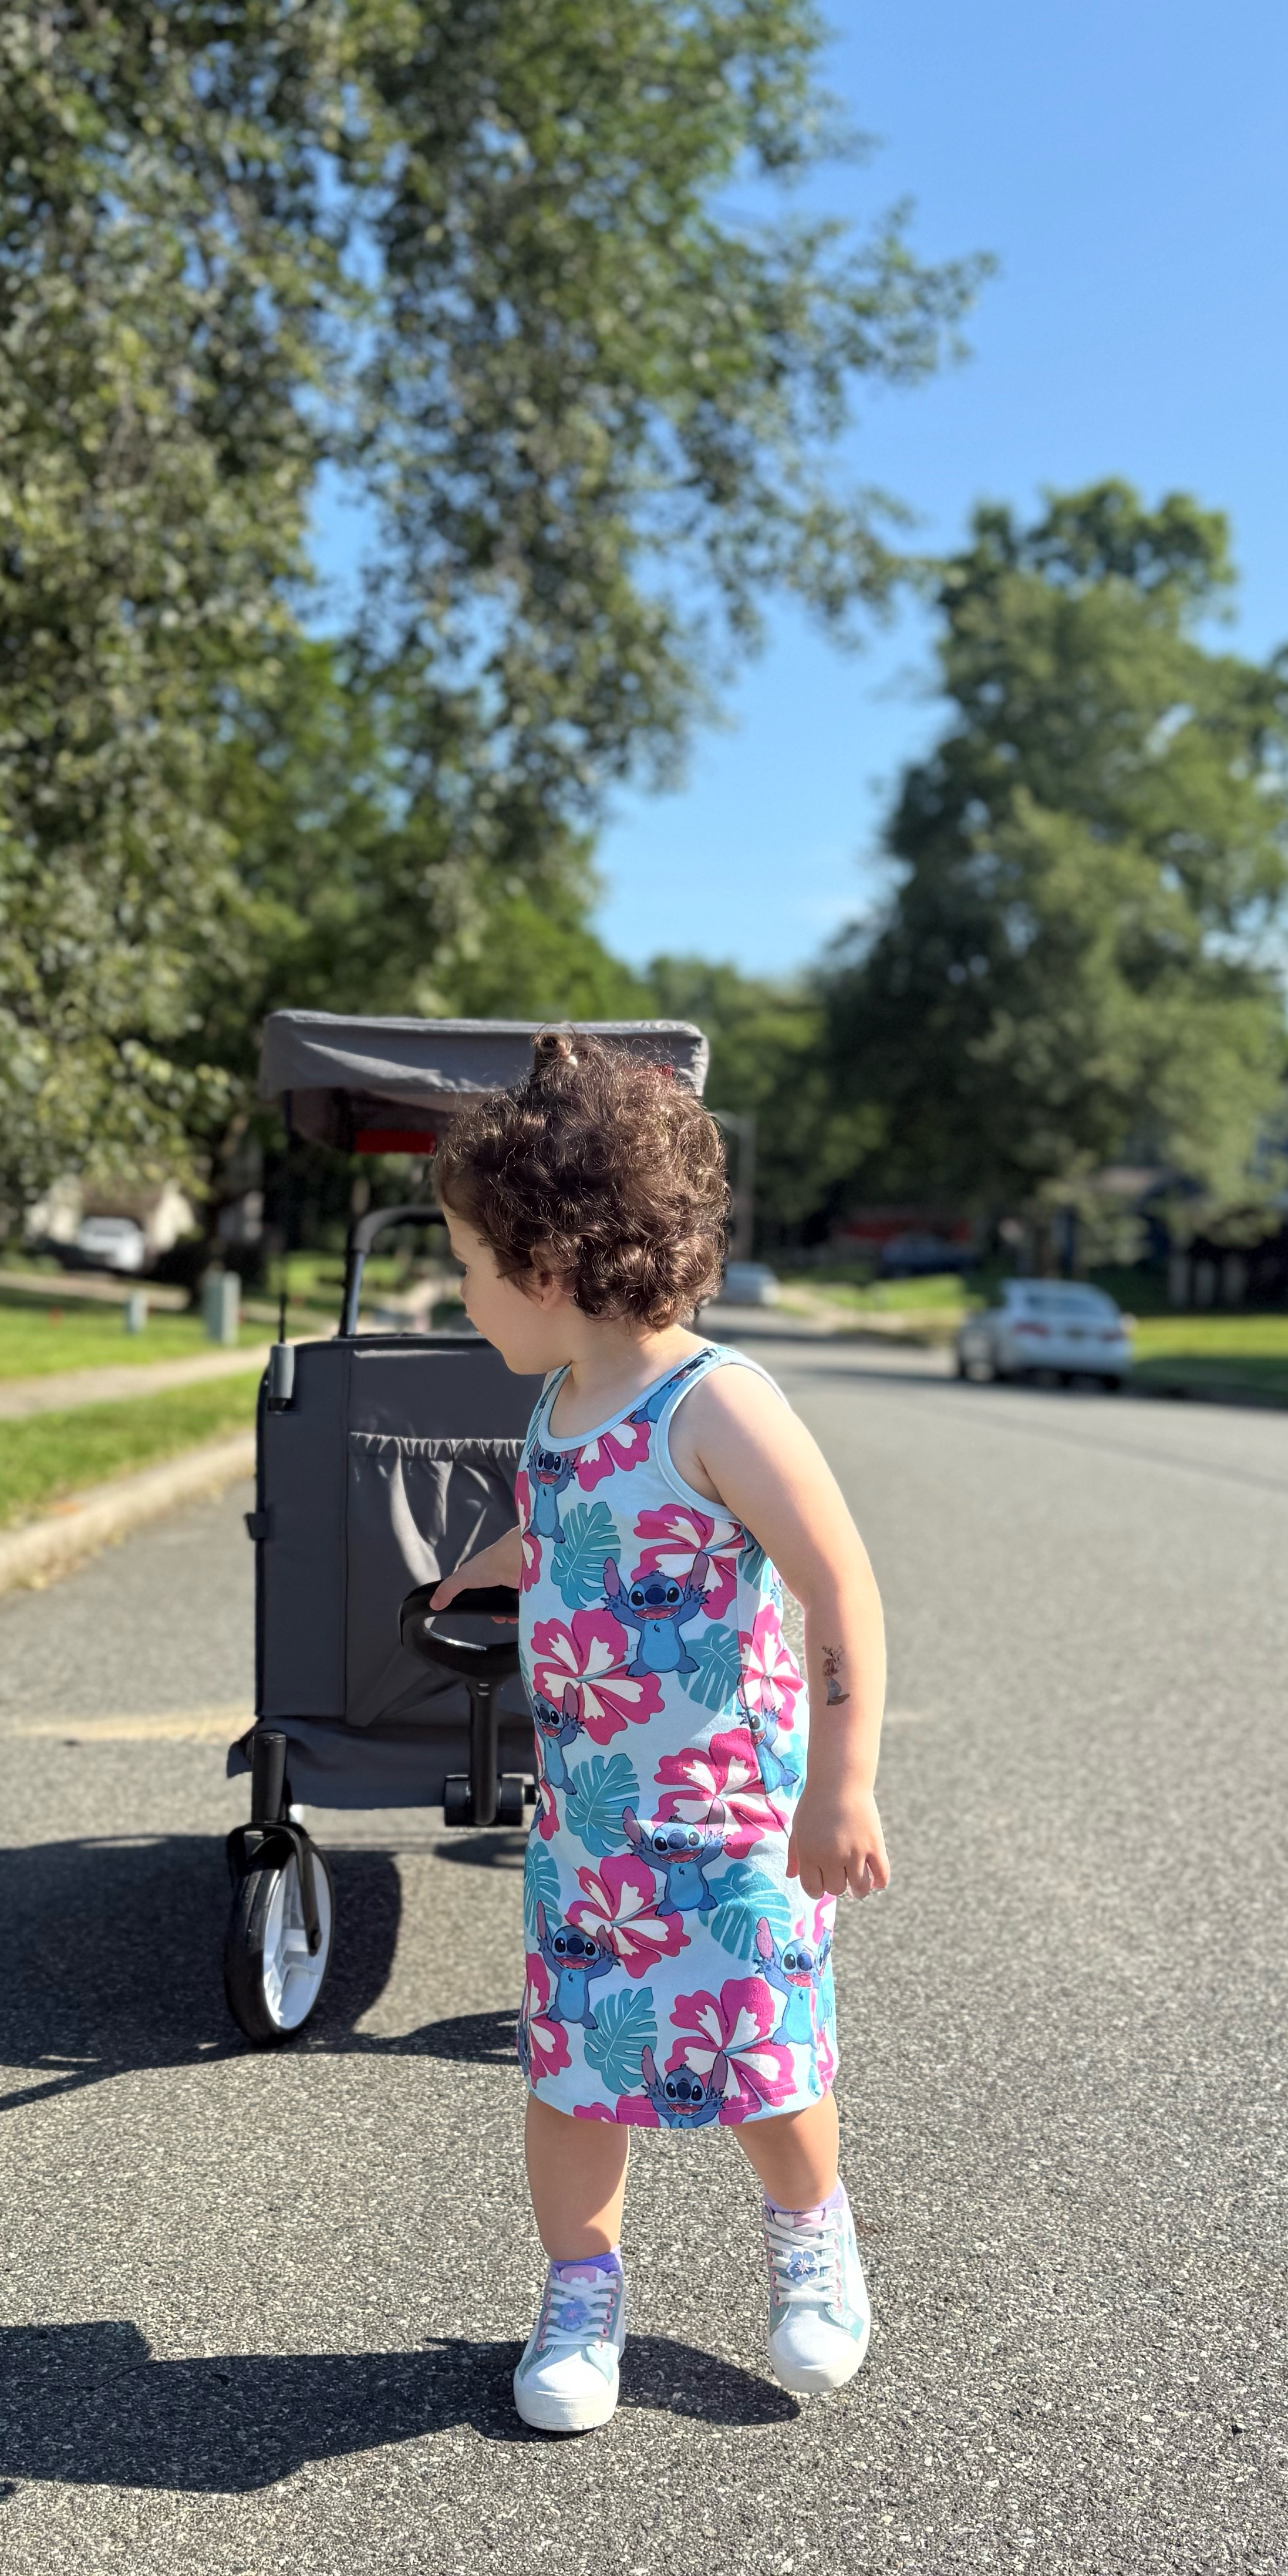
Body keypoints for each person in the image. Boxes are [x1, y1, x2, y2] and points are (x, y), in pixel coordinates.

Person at [431, 1029, 891, 2435]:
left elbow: (837, 1581)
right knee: (577, 2074)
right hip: (589, 1828)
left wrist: (842, 1786)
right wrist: (499, 1558)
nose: (459, 1298)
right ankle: (581, 2291)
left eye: (465, 1266)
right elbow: (580, 1525)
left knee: (764, 2057)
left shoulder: (718, 1402)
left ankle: (812, 2243)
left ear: (551, 1266)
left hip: (736, 1823)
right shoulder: (557, 1405)